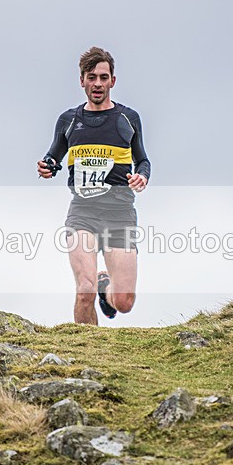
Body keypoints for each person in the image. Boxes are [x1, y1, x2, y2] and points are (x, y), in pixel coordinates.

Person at [37, 47, 151, 325]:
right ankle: (85, 357)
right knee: (84, 291)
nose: (97, 83)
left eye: (103, 77)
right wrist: (47, 166)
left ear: (113, 81)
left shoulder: (128, 118)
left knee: (124, 303)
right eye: (91, 77)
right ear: (82, 81)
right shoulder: (69, 120)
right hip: (83, 214)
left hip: (119, 214)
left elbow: (143, 160)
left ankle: (105, 287)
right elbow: (53, 156)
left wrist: (142, 177)